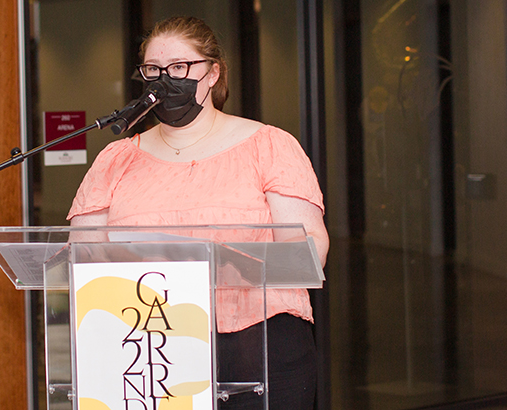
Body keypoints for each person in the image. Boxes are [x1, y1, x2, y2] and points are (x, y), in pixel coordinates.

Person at [68, 16, 329, 409]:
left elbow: (309, 251)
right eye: (153, 70)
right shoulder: (115, 160)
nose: (164, 79)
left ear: (212, 73)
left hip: (260, 347)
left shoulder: (270, 146)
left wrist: (220, 262)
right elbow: (80, 259)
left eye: (179, 67)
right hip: (147, 351)